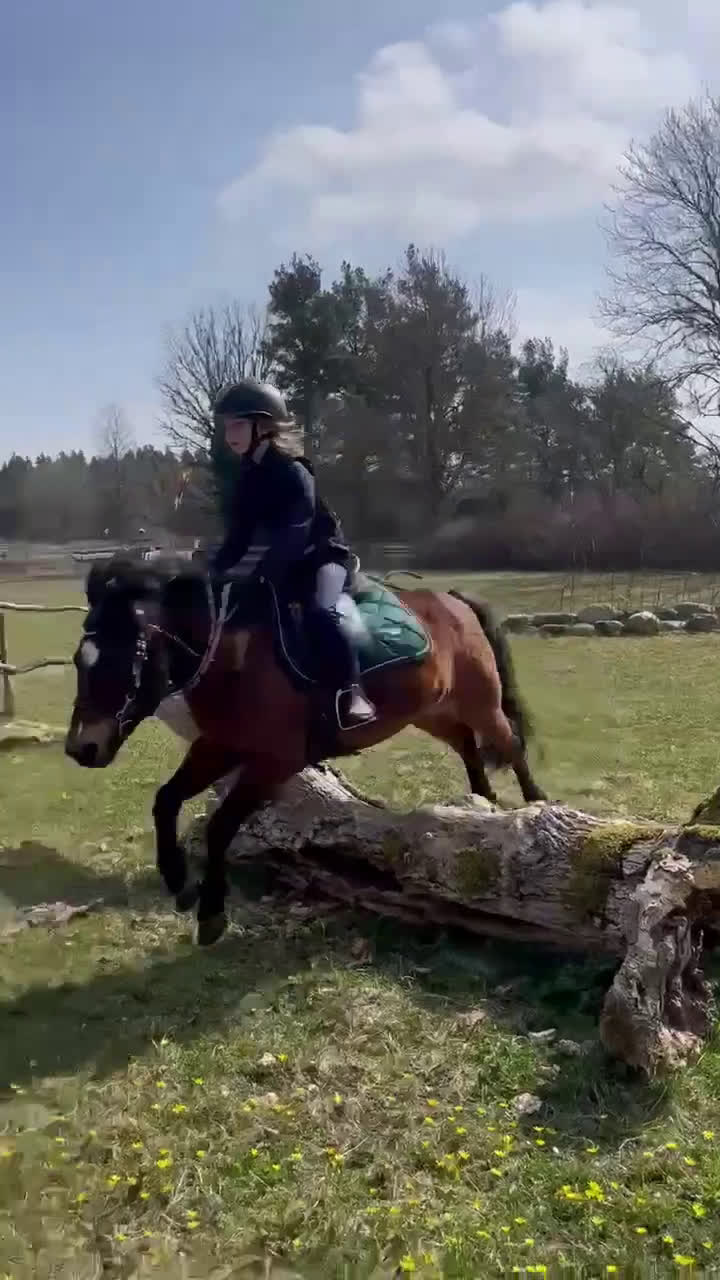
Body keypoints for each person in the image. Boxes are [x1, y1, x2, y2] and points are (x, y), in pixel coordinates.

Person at [210, 378, 376, 730]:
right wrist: (214, 572)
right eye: (227, 426)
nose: (229, 434)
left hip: (323, 557)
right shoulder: (248, 477)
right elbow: (237, 539)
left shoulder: (293, 471)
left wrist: (259, 574)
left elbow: (294, 533)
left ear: (263, 426)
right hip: (286, 563)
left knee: (320, 610)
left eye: (237, 425)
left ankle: (353, 690)